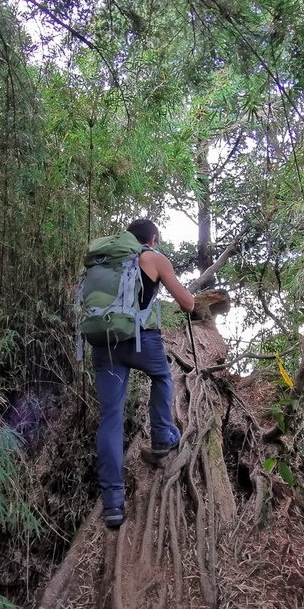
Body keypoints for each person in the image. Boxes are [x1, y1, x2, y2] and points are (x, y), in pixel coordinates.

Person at [92, 218, 195, 529]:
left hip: (104, 344)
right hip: (140, 340)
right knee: (162, 377)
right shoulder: (153, 257)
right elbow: (188, 303)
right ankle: (162, 436)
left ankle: (112, 504)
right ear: (152, 238)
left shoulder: (107, 262)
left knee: (110, 417)